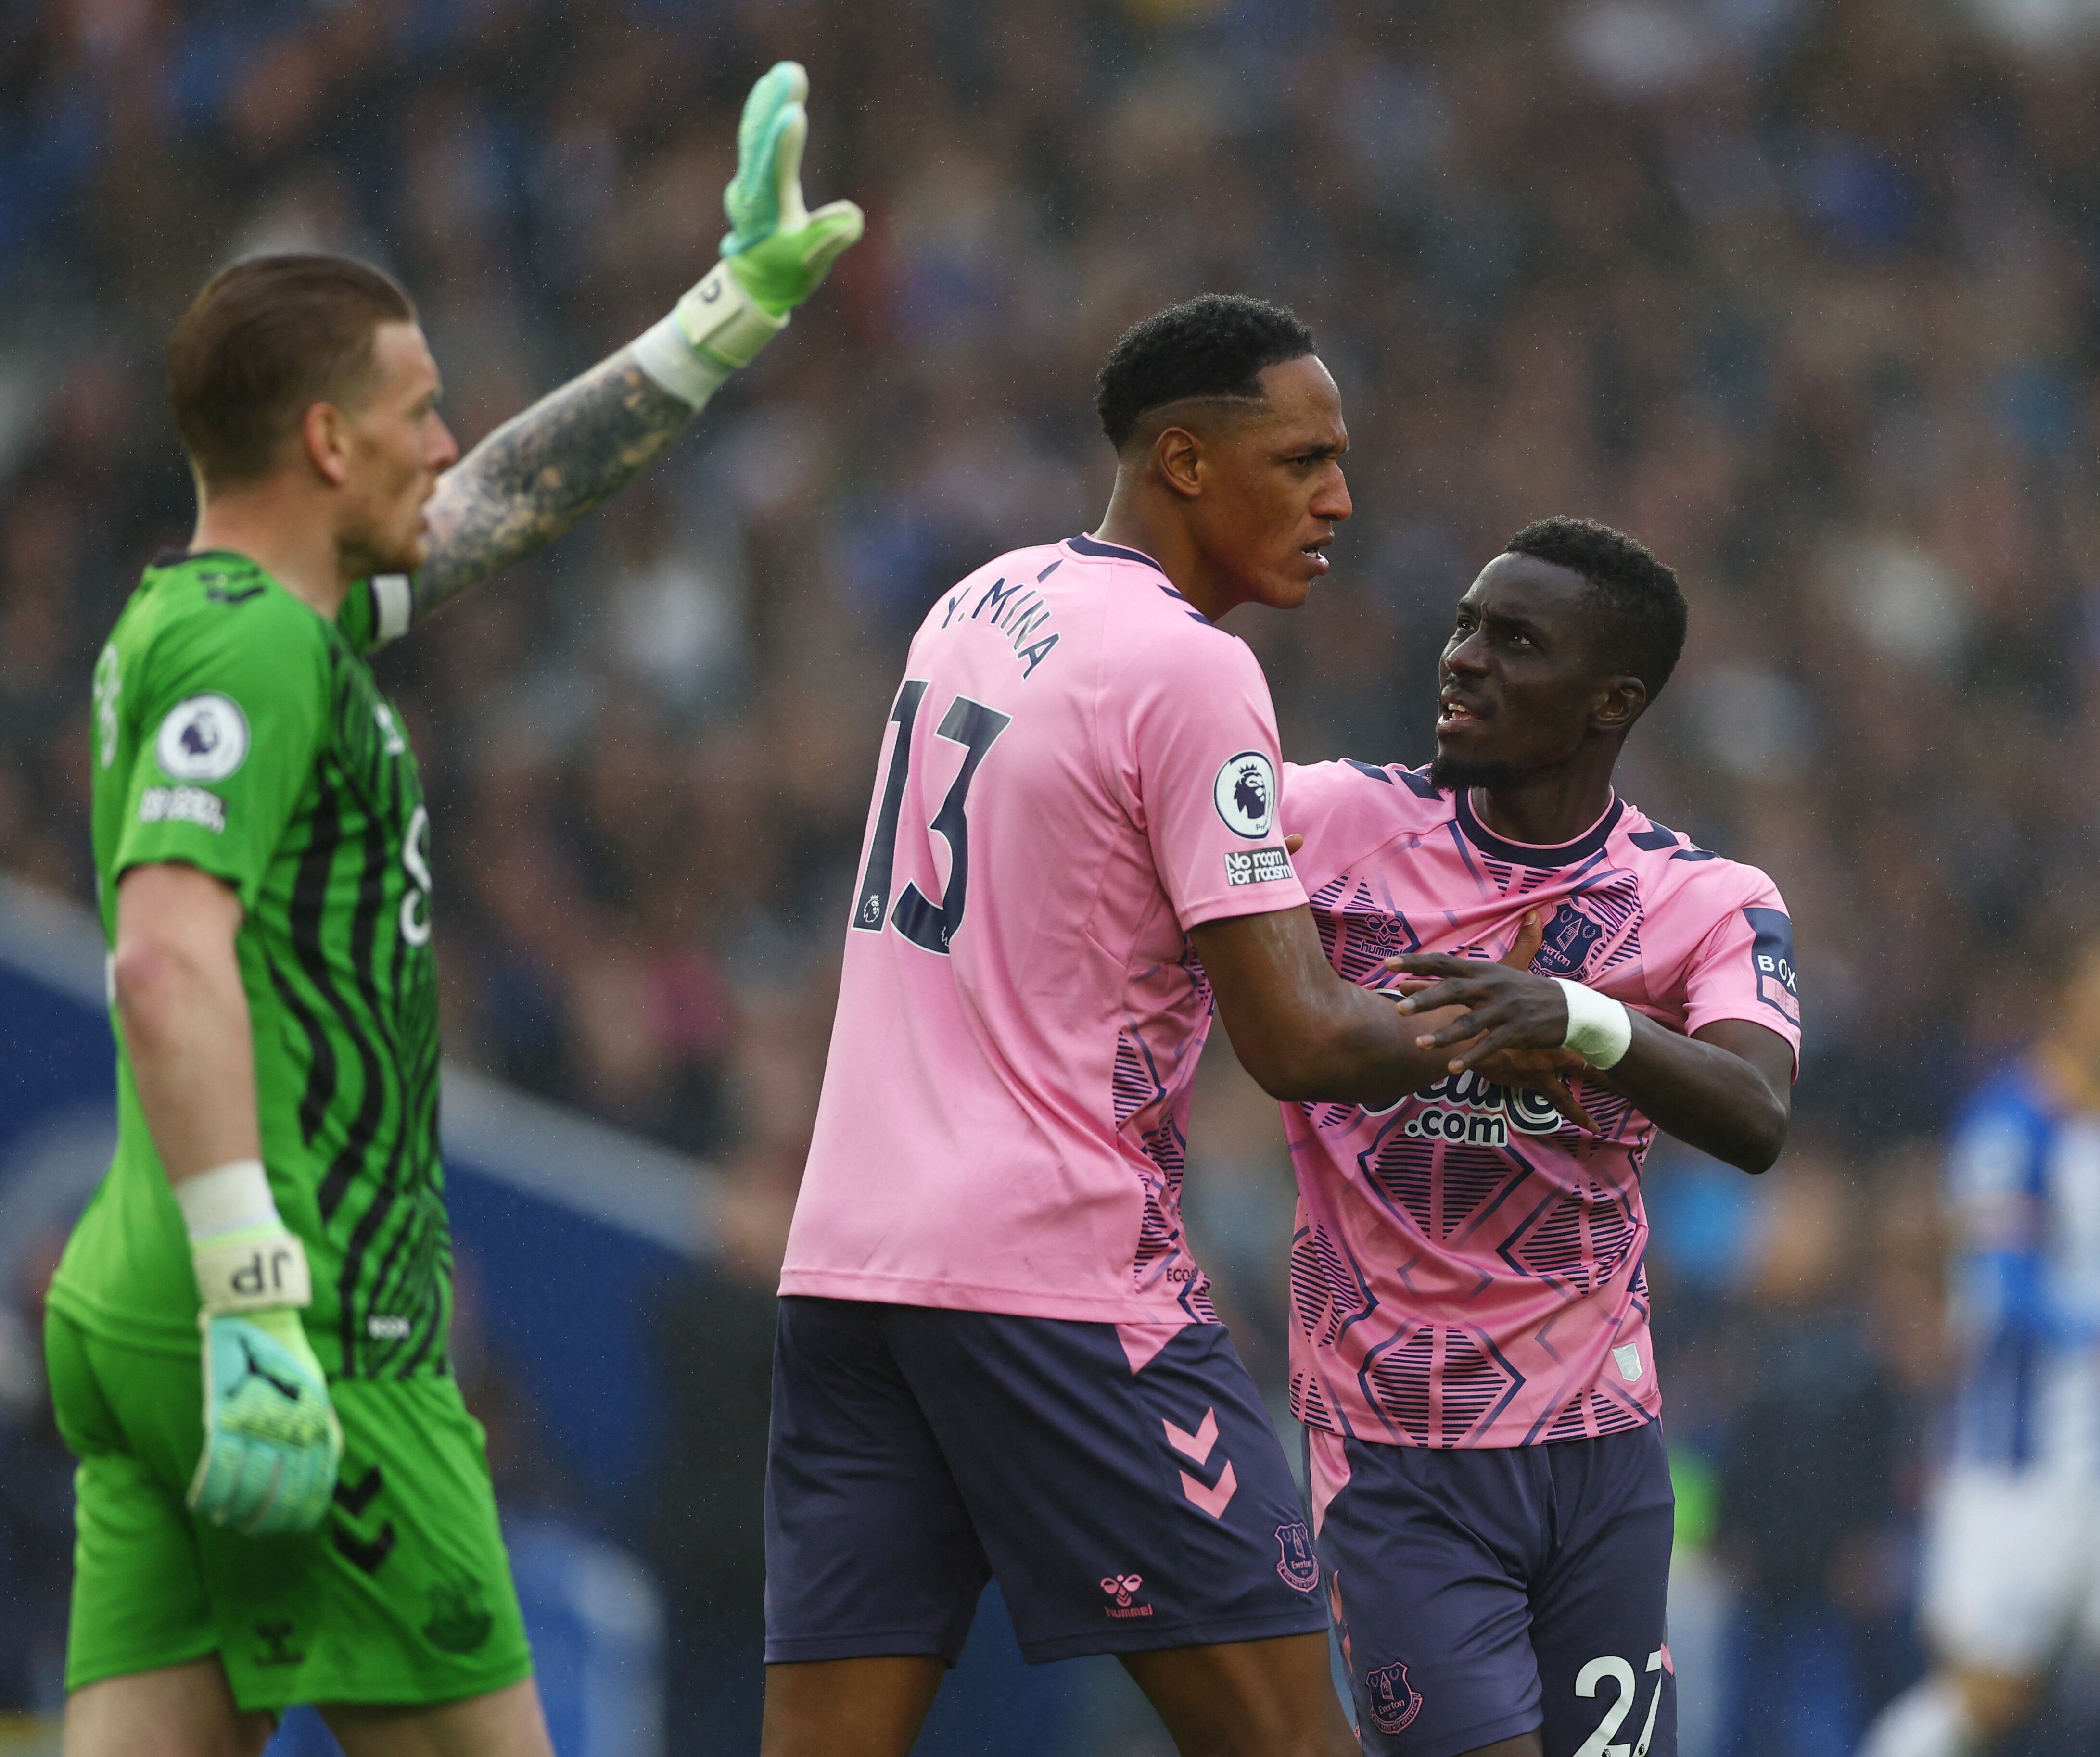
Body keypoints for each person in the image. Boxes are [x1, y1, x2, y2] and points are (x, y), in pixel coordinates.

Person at [41, 63, 863, 1757]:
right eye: (416, 407)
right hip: (313, 1319)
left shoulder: (226, 618)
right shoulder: (260, 652)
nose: (443, 437)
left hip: (152, 1314)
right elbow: (160, 963)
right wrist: (259, 1286)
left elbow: (495, 504)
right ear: (324, 438)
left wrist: (720, 312)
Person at [764, 295, 1584, 1757]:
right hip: (1058, 1273)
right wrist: (1501, 1016)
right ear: (1188, 461)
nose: (1340, 497)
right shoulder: (1197, 669)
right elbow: (1299, 1040)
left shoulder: (978, 599)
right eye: (1305, 459)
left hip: (850, 1263)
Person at [1270, 516, 1800, 1757]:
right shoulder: (1330, 826)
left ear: (1611, 700)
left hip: (1601, 1461)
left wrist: (1578, 1016)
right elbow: (1141, 805)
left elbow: (1758, 1111)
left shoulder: (1702, 901)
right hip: (1398, 1454)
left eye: (1514, 642)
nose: (1462, 658)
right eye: (1465, 626)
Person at [1858, 935, 2100, 1757]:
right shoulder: (2010, 1122)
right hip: (2021, 1458)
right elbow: (1998, 1283)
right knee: (1987, 1693)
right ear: (2069, 1004)